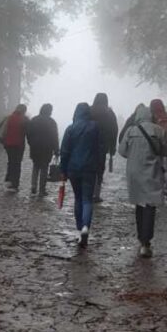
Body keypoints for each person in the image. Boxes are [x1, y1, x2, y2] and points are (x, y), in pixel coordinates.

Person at [118, 103, 165, 258]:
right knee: (150, 205)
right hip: (151, 171)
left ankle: (141, 237)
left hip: (134, 172)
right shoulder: (158, 131)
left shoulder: (131, 131)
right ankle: (146, 242)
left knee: (139, 203)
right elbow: (165, 150)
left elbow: (122, 151)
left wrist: (134, 156)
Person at [60, 102, 102, 245]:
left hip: (73, 168)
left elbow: (64, 151)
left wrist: (63, 170)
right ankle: (85, 227)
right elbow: (98, 148)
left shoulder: (70, 129)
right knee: (87, 199)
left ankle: (79, 229)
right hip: (90, 168)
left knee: (78, 198)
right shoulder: (95, 127)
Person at [90, 92, 118, 202]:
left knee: (89, 168)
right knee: (99, 169)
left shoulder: (89, 111)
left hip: (88, 144)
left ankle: (88, 190)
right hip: (103, 145)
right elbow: (114, 131)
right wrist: (112, 147)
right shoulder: (110, 113)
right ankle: (96, 194)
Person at [26, 103, 59, 197]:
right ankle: (42, 189)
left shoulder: (34, 120)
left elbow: (28, 133)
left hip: (35, 147)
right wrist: (56, 149)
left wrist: (31, 143)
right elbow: (54, 136)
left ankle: (33, 185)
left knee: (36, 166)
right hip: (47, 148)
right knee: (44, 168)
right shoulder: (51, 122)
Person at [0, 103, 28, 191]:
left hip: (8, 144)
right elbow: (28, 131)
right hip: (19, 144)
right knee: (17, 163)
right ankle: (15, 184)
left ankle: (9, 180)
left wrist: (5, 140)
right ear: (24, 111)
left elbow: (3, 132)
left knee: (11, 161)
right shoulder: (24, 119)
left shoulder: (8, 117)